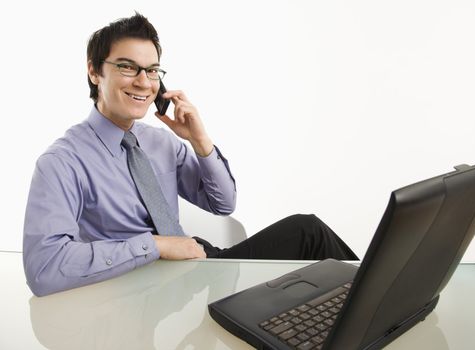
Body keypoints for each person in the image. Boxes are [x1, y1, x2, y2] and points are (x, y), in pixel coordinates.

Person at [23, 13, 358, 297]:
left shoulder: (159, 142)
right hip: (142, 287)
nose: (144, 82)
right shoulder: (62, 162)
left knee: (308, 232)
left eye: (152, 70)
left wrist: (200, 141)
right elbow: (45, 268)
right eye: (128, 68)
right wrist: (156, 245)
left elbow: (223, 204)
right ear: (95, 72)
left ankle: (381, 307)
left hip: (198, 266)